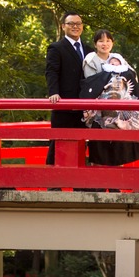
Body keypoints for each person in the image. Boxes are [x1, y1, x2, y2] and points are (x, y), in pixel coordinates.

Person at [81, 31, 139, 166]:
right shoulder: (91, 60)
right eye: (101, 41)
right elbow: (91, 83)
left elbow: (132, 76)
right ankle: (98, 184)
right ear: (95, 44)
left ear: (112, 43)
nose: (105, 44)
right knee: (100, 147)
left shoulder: (118, 58)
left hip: (119, 111)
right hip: (99, 110)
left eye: (108, 41)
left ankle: (116, 184)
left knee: (119, 146)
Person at [44, 11, 93, 165]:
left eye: (78, 24)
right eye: (71, 23)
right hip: (64, 103)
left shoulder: (89, 50)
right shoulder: (56, 48)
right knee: (58, 142)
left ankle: (80, 184)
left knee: (81, 142)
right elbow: (52, 71)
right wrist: (54, 92)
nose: (75, 26)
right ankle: (53, 183)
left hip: (84, 105)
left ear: (82, 27)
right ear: (63, 26)